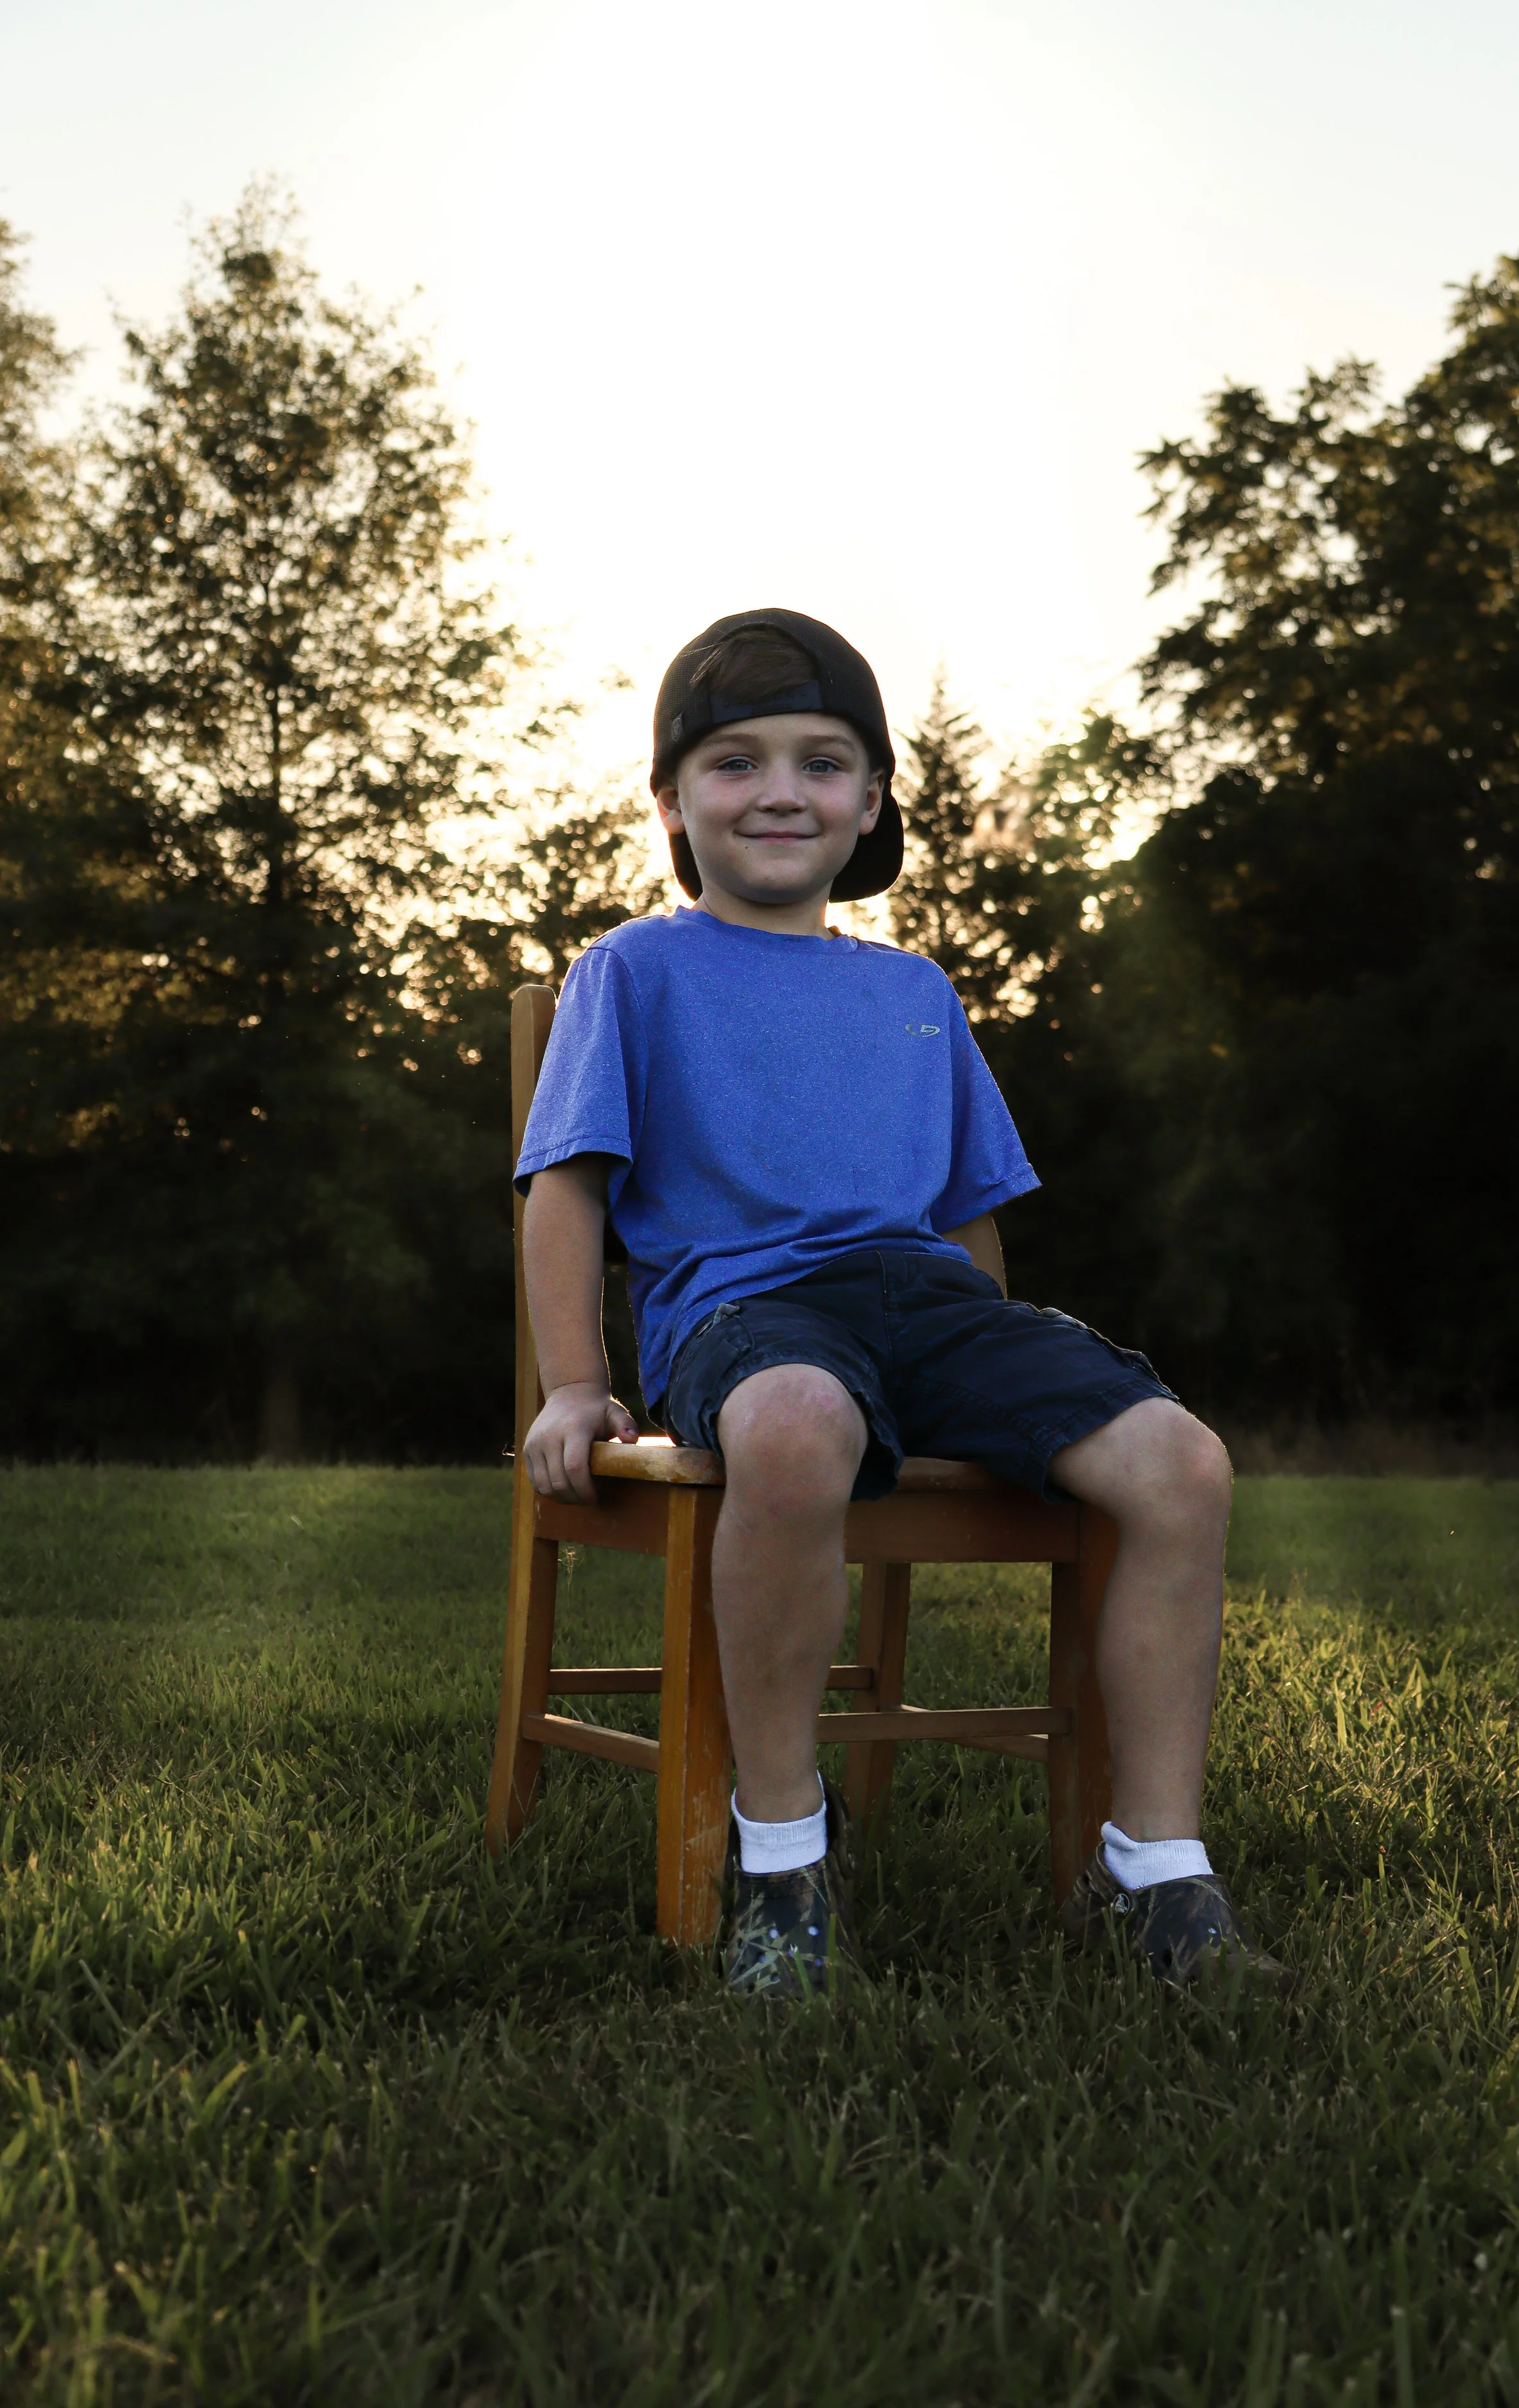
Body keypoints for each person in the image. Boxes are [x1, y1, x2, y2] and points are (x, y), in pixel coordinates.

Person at [516, 607, 1281, 1999]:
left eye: (820, 762)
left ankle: (1159, 1876)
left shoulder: (917, 992)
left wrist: (994, 1400)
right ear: (674, 805)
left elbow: (965, 1222)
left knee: (1180, 1460)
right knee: (800, 1422)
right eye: (734, 763)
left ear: (869, 801)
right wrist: (572, 1383)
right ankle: (781, 1855)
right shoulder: (632, 971)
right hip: (746, 1318)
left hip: (927, 1315)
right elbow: (563, 1192)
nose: (779, 793)